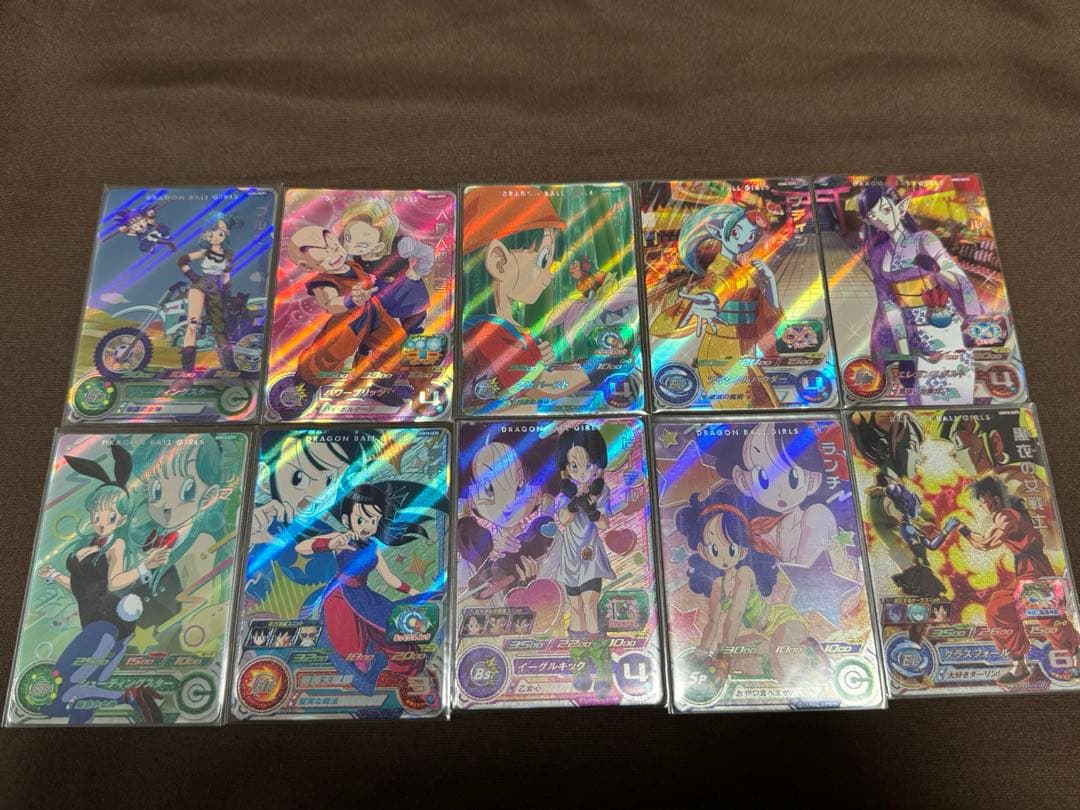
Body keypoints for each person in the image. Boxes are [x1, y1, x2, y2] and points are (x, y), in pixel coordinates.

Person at [35, 445, 167, 724]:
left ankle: (129, 697)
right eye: (96, 516)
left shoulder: (117, 545)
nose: (100, 523)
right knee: (84, 694)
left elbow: (115, 583)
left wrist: (144, 567)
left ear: (122, 519)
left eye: (109, 517)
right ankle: (93, 719)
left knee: (63, 681)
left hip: (106, 625)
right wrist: (54, 575)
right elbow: (81, 589)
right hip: (102, 626)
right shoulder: (89, 544)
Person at [460, 186, 590, 407]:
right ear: (499, 261)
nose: (549, 275)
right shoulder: (486, 333)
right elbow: (541, 386)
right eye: (542, 261)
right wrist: (599, 366)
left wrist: (538, 358)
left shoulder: (499, 328)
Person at [856, 185, 982, 404]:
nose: (881, 219)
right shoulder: (877, 255)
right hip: (908, 327)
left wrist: (937, 269)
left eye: (885, 210)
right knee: (918, 392)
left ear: (901, 207)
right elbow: (888, 304)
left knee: (954, 382)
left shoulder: (924, 239)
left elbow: (957, 278)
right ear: (868, 221)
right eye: (873, 216)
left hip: (940, 318)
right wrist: (904, 354)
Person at [650, 203, 782, 407]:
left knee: (760, 409)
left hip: (741, 349)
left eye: (750, 237)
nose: (743, 241)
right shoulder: (720, 274)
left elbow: (765, 311)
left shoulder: (738, 270)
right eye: (737, 232)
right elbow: (701, 299)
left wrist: (770, 281)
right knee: (744, 412)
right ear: (718, 232)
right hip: (724, 353)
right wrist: (697, 308)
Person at [959, 477, 1080, 684]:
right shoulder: (1002, 517)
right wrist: (963, 530)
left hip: (1035, 571)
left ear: (995, 500)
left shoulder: (1007, 516)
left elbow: (987, 544)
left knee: (1048, 618)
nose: (982, 505)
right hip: (1026, 572)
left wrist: (963, 530)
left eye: (983, 501)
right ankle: (1019, 664)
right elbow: (983, 542)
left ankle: (1075, 656)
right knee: (998, 608)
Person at [287, 225, 406, 407]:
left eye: (335, 247)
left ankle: (380, 387)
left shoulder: (352, 265)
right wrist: (351, 300)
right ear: (307, 266)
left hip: (373, 313)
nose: (334, 255)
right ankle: (303, 389)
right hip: (347, 322)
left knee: (397, 343)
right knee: (329, 355)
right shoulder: (323, 283)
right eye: (324, 256)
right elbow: (330, 303)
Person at [339, 198, 434, 335]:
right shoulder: (350, 254)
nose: (349, 246)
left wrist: (419, 271)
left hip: (405, 290)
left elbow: (427, 252)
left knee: (413, 319)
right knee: (379, 324)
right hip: (378, 293)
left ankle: (414, 337)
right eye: (348, 237)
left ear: (379, 245)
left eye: (362, 244)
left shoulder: (402, 245)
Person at [176, 213, 242, 372]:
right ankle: (187, 367)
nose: (214, 236)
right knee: (193, 323)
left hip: (216, 290)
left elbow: (226, 276)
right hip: (200, 285)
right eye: (211, 232)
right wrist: (192, 276)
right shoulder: (204, 252)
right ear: (206, 234)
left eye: (220, 232)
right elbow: (182, 261)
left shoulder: (228, 255)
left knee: (219, 326)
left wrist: (226, 295)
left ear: (226, 234)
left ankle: (228, 364)